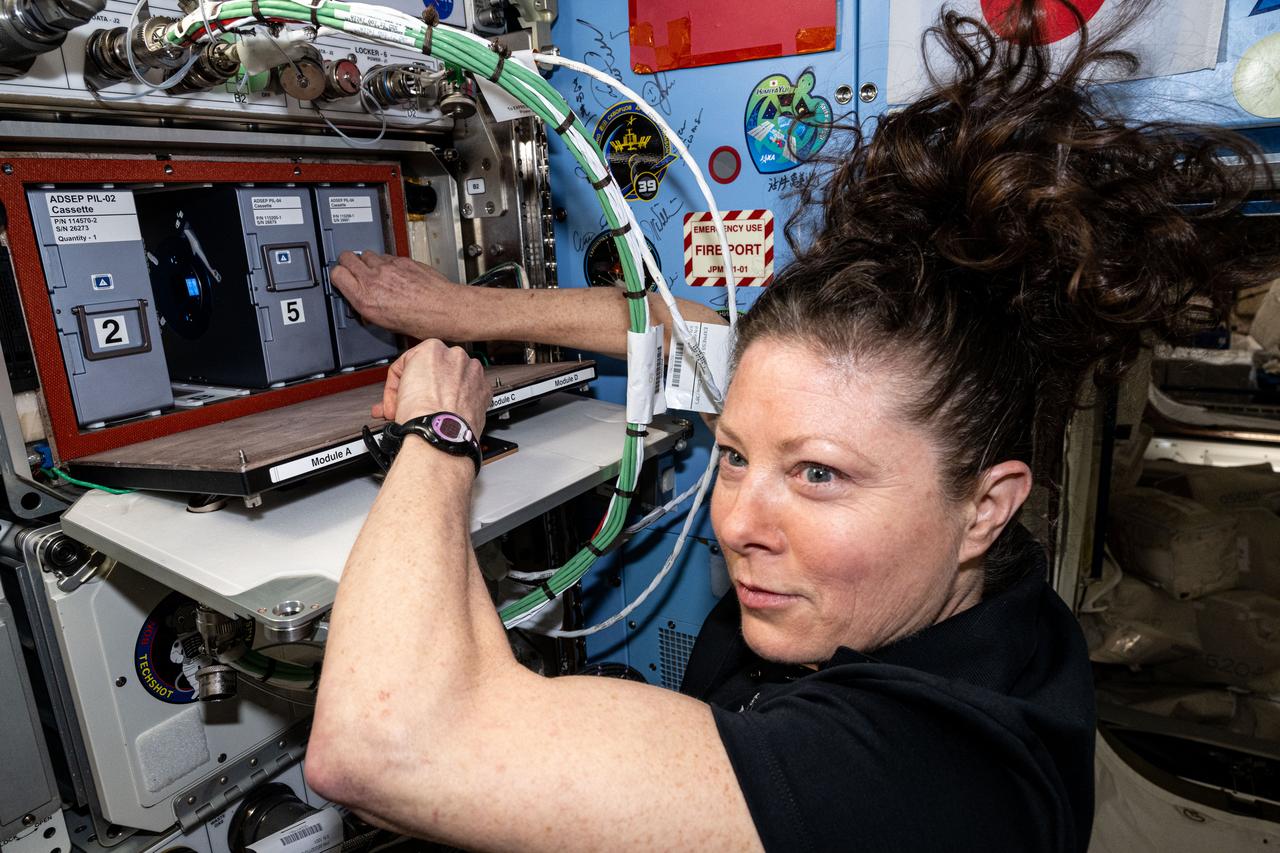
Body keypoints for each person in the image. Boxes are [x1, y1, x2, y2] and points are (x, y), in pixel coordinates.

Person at [304, 2, 1278, 850]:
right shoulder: (965, 567)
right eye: (732, 455)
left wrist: (437, 437)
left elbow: (380, 744)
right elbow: (687, 332)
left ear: (986, 506)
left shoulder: (922, 777)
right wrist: (463, 312)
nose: (737, 522)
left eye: (815, 476)